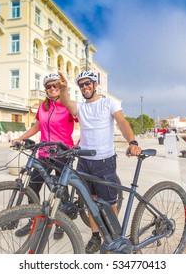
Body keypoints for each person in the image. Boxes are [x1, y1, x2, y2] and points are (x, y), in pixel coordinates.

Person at [58, 70, 142, 253]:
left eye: (88, 83)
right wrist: (64, 89)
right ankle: (96, 237)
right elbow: (66, 102)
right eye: (81, 85)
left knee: (109, 202)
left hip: (104, 160)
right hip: (84, 160)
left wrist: (132, 142)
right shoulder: (81, 107)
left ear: (95, 85)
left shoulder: (108, 103)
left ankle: (115, 238)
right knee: (90, 201)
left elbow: (121, 121)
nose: (85, 87)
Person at [12, 73, 77, 239]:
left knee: (60, 191)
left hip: (62, 153)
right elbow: (37, 127)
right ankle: (32, 222)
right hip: (43, 153)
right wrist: (20, 138)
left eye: (55, 85)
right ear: (45, 89)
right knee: (32, 188)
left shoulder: (67, 105)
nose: (53, 88)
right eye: (49, 86)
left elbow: (84, 123)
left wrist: (78, 144)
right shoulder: (43, 106)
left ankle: (62, 223)